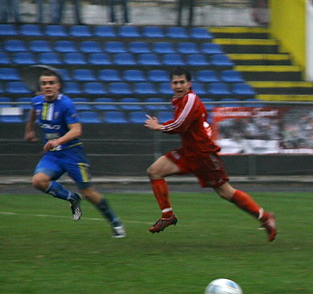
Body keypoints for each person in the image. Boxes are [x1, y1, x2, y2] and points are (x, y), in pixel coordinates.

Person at [143, 67, 277, 241]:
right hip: (188, 153)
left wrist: (160, 127)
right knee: (154, 171)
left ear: (189, 84)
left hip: (203, 155)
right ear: (170, 85)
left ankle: (266, 218)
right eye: (175, 82)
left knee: (225, 192)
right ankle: (167, 215)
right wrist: (164, 125)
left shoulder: (190, 99)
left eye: (182, 82)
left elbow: (180, 125)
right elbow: (181, 122)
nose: (178, 86)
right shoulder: (178, 100)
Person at [24, 69, 125, 238]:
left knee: (89, 192)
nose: (48, 86)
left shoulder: (66, 104)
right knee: (38, 181)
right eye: (44, 83)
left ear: (58, 86)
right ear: (41, 87)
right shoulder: (37, 102)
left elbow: (77, 130)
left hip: (73, 154)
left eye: (51, 83)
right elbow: (33, 113)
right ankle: (72, 198)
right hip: (53, 156)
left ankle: (115, 222)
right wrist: (29, 130)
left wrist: (58, 141)